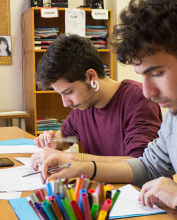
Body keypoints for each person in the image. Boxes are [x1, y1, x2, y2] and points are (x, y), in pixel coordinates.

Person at [40, 0, 177, 214]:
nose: (148, 92)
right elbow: (148, 165)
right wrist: (82, 167)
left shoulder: (142, 100)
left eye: (156, 73)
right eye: (142, 75)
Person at [31, 34, 162, 170]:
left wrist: (74, 158)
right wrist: (52, 141)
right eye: (60, 94)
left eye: (68, 92)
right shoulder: (83, 106)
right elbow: (66, 136)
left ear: (90, 77)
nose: (65, 103)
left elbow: (140, 165)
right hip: (101, 188)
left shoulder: (138, 99)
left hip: (136, 190)